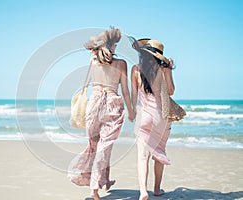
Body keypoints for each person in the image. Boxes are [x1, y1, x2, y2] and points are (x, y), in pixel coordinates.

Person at [68, 27, 136, 200]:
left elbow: (90, 82)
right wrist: (131, 111)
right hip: (112, 104)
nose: (116, 49)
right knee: (105, 147)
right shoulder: (121, 64)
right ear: (110, 46)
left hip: (95, 104)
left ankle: (104, 180)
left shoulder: (92, 61)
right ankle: (94, 188)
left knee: (96, 145)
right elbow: (126, 92)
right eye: (114, 45)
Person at [130, 37, 175, 200]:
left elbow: (134, 94)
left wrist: (131, 112)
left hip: (144, 116)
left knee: (143, 156)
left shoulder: (135, 69)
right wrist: (169, 69)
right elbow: (170, 91)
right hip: (161, 117)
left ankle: (143, 191)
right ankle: (156, 189)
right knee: (159, 153)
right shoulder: (163, 69)